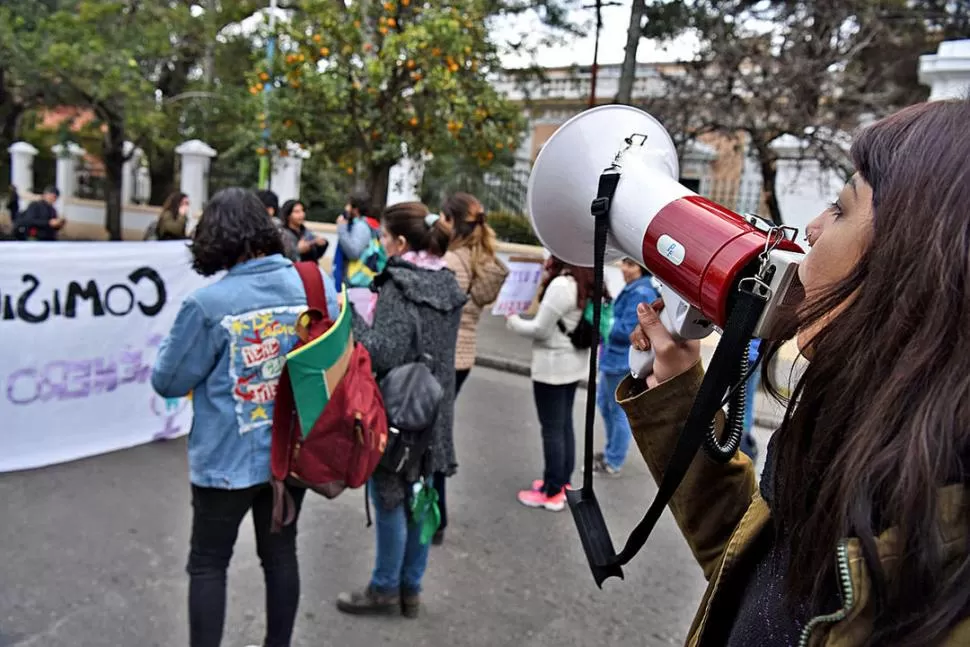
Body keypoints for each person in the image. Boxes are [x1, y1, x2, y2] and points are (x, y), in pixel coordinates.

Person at [620, 99, 970, 646]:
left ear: (916, 265)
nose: (811, 225)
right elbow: (759, 575)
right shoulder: (863, 430)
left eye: (839, 206)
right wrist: (680, 395)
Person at [151, 188, 339, 647]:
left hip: (224, 462)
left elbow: (168, 381)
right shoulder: (316, 287)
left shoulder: (208, 305)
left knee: (209, 563)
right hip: (293, 453)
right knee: (280, 557)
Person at [335, 201, 465, 619]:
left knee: (389, 498)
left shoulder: (398, 284)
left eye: (385, 237)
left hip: (399, 412)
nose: (381, 243)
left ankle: (384, 587)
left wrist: (351, 318)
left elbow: (382, 351)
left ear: (401, 242)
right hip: (434, 412)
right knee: (420, 497)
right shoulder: (446, 283)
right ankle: (412, 588)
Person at [435, 192, 508, 545]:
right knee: (440, 430)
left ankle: (435, 517)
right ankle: (436, 515)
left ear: (451, 221)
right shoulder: (480, 259)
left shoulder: (452, 261)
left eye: (442, 217)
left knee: (434, 437)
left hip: (447, 355)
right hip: (465, 356)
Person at [507, 256, 599, 511]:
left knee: (552, 429)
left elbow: (540, 329)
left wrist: (512, 319)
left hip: (552, 367)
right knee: (564, 425)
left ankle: (552, 491)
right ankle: (562, 482)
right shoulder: (589, 279)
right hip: (573, 365)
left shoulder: (562, 285)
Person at [594, 258, 658, 475]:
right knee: (605, 404)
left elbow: (628, 330)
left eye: (629, 265)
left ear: (640, 269)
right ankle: (611, 451)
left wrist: (604, 323)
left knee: (616, 410)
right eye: (624, 263)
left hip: (620, 359)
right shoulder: (637, 288)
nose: (623, 268)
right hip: (614, 357)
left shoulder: (641, 292)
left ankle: (613, 461)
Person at [333, 191, 382, 287]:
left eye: (349, 205)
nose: (346, 208)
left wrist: (342, 228)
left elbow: (353, 252)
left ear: (355, 209)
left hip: (356, 281)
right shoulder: (364, 224)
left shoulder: (361, 226)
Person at [277, 199, 329, 263]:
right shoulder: (282, 234)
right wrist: (298, 250)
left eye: (302, 211)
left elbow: (316, 256)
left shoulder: (306, 232)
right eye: (297, 212)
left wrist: (321, 245)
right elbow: (283, 258)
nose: (301, 214)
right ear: (288, 215)